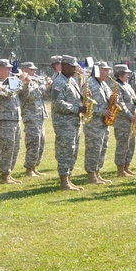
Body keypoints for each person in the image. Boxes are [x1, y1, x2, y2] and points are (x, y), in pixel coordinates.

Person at [50, 55, 87, 191]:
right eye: (72, 67)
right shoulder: (59, 82)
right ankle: (64, 181)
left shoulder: (71, 81)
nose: (75, 69)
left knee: (73, 150)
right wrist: (77, 109)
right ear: (64, 66)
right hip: (64, 123)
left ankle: (69, 179)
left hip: (74, 122)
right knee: (65, 151)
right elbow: (57, 103)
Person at [0, 58, 23, 184]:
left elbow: (20, 91)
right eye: (7, 68)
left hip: (15, 119)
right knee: (7, 148)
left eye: (10, 68)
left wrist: (23, 82)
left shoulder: (13, 80)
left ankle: (9, 172)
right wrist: (2, 88)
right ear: (0, 69)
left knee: (15, 148)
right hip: (4, 120)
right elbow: (4, 94)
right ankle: (4, 175)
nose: (10, 70)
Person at [83, 61, 113, 185]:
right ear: (97, 70)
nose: (108, 73)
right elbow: (85, 104)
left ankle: (97, 172)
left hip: (104, 123)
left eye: (108, 70)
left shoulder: (104, 84)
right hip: (93, 123)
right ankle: (91, 175)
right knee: (93, 148)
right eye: (105, 70)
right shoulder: (88, 84)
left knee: (102, 148)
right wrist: (101, 111)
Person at [18, 62, 47, 177]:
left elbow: (42, 93)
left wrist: (46, 86)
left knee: (41, 142)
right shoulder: (21, 82)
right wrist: (42, 87)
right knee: (33, 142)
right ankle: (29, 169)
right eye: (31, 70)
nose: (34, 72)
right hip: (30, 116)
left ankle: (34, 167)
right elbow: (28, 95)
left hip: (39, 115)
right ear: (25, 70)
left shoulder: (34, 81)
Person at [112, 63, 136, 177]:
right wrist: (130, 116)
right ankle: (120, 169)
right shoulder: (116, 86)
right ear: (120, 74)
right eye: (126, 73)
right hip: (122, 121)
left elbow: (131, 100)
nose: (128, 75)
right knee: (122, 145)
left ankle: (126, 166)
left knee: (130, 144)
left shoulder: (127, 85)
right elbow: (120, 104)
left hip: (131, 120)